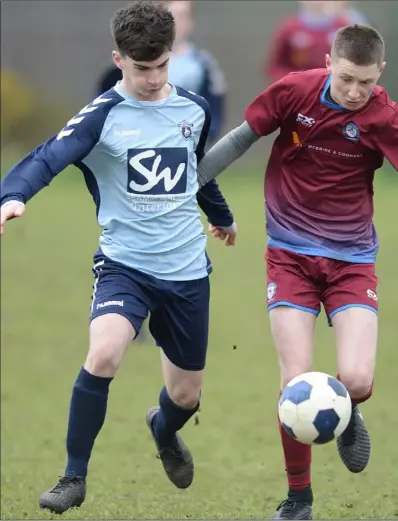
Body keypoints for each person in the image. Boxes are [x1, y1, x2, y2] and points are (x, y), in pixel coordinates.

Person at [0, 1, 237, 515]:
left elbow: (196, 173)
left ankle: (162, 428)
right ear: (119, 58)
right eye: (141, 68)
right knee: (105, 353)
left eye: (161, 66)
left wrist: (222, 216)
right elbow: (48, 155)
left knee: (186, 396)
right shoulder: (103, 116)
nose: (153, 79)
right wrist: (13, 194)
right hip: (124, 265)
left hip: (187, 272)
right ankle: (72, 477)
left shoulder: (193, 110)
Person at [197, 24, 398, 520]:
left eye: (366, 83)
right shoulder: (294, 93)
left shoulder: (384, 117)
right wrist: (193, 180)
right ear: (328, 63)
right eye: (347, 79)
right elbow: (242, 139)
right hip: (289, 256)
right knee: (295, 385)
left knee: (355, 377)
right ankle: (298, 499)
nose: (355, 92)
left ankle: (348, 407)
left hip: (352, 261)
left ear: (381, 74)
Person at [96, 0, 227, 144]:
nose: (155, 79)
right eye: (175, 15)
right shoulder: (132, 58)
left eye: (185, 16)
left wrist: (204, 135)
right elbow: (104, 101)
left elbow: (214, 105)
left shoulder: (202, 63)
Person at [265, 0, 349, 83]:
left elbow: (351, 62)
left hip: (331, 89)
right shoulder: (289, 28)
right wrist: (293, 82)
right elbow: (275, 66)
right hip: (299, 90)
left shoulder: (341, 26)